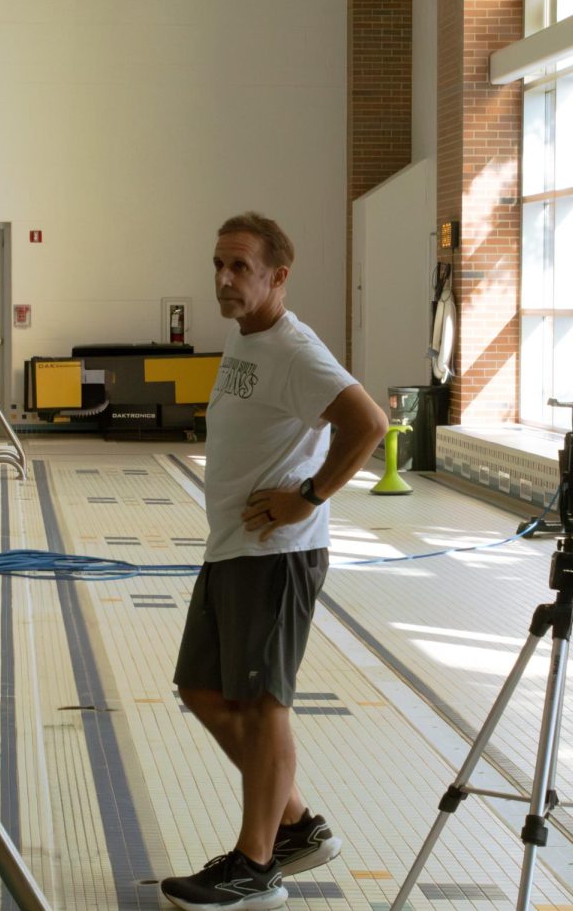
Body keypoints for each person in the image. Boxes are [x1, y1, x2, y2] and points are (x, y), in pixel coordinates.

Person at [161, 213, 388, 911]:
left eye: (241, 267)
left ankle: (255, 867)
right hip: (233, 550)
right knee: (200, 688)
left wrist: (309, 496)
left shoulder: (294, 348)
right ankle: (296, 826)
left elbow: (368, 423)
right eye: (219, 265)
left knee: (264, 708)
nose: (225, 279)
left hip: (275, 555)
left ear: (278, 276)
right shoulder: (247, 336)